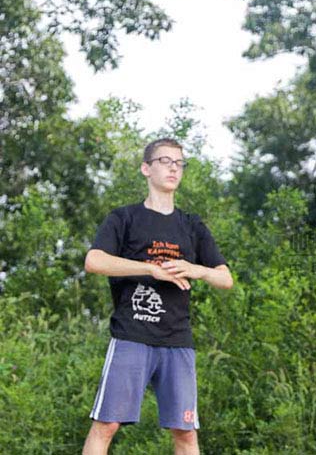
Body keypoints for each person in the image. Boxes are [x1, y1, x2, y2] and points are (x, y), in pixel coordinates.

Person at [82, 138, 233, 455]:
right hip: (132, 335)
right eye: (165, 161)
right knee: (106, 425)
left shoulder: (192, 226)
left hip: (177, 340)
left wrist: (197, 269)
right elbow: (94, 261)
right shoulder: (124, 218)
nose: (173, 168)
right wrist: (150, 269)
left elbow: (225, 278)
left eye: (179, 163)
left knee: (186, 433)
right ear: (146, 168)